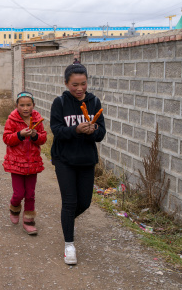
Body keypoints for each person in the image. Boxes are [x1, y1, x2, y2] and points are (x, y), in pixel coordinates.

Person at [50, 64, 105, 265]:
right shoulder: (60, 102)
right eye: (75, 84)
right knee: (70, 202)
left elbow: (101, 134)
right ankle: (69, 245)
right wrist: (76, 130)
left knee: (85, 202)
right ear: (66, 83)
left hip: (86, 160)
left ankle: (67, 223)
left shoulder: (94, 102)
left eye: (83, 84)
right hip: (64, 159)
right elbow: (56, 130)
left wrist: (93, 131)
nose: (79, 88)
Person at [3, 92, 47, 235]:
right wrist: (20, 135)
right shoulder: (12, 120)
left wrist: (35, 135)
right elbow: (7, 138)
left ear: (33, 105)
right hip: (16, 163)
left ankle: (29, 222)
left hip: (32, 163)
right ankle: (14, 207)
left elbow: (43, 138)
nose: (25, 108)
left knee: (30, 194)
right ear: (17, 106)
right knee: (19, 193)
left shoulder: (37, 120)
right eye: (22, 105)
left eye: (28, 105)